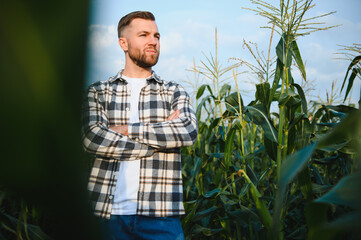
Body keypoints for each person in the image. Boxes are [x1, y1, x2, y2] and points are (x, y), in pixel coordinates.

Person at [82, 11, 198, 239]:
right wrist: (156, 143)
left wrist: (126, 129)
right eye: (144, 35)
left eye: (156, 35)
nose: (153, 41)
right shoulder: (98, 92)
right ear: (123, 43)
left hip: (161, 216)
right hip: (106, 214)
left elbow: (187, 130)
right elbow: (92, 137)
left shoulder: (173, 91)